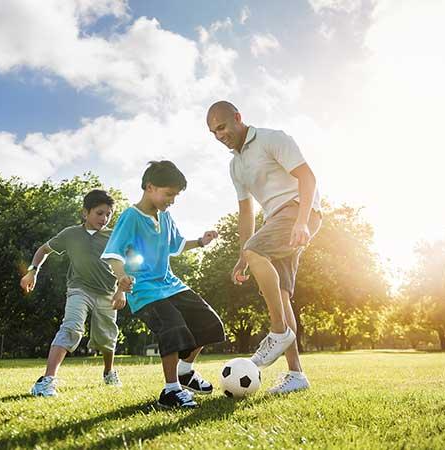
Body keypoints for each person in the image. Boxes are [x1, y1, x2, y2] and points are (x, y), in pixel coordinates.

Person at [206, 101, 322, 394]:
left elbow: (307, 177)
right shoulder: (235, 166)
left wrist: (302, 221)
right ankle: (296, 376)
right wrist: (242, 257)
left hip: (297, 211)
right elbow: (247, 213)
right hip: (275, 221)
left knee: (257, 253)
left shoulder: (272, 139)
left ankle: (279, 332)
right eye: (213, 132)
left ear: (237, 118)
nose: (219, 135)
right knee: (281, 294)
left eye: (221, 127)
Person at [101, 160, 225, 409]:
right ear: (150, 187)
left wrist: (200, 242)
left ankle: (185, 372)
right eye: (169, 194)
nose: (172, 200)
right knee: (173, 326)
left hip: (170, 284)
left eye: (176, 195)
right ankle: (170, 391)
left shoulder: (166, 217)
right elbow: (113, 253)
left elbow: (175, 245)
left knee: (209, 321)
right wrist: (121, 276)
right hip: (145, 289)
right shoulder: (131, 217)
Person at [20, 189, 126, 397]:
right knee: (71, 328)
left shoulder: (113, 237)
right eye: (99, 213)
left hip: (107, 293)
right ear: (85, 213)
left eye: (108, 214)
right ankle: (46, 381)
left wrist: (121, 291)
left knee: (106, 338)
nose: (104, 219)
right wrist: (33, 272)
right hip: (79, 290)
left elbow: (123, 267)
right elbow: (43, 250)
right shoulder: (70, 234)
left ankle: (108, 372)